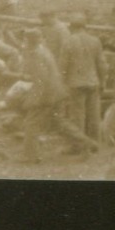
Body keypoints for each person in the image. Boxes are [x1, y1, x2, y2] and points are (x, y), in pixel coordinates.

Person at [16, 29, 97, 160]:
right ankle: (87, 143)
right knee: (59, 122)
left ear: (29, 41)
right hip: (57, 90)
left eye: (25, 40)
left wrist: (35, 99)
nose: (24, 43)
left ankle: (30, 156)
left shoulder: (36, 54)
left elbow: (41, 78)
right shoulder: (43, 50)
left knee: (31, 122)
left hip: (46, 93)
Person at [60, 16, 106, 145]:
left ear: (72, 28)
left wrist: (62, 83)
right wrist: (103, 82)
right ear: (85, 27)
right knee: (94, 115)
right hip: (93, 82)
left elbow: (63, 66)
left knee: (77, 117)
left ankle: (78, 145)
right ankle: (95, 143)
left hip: (75, 83)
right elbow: (101, 64)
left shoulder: (68, 42)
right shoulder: (95, 41)